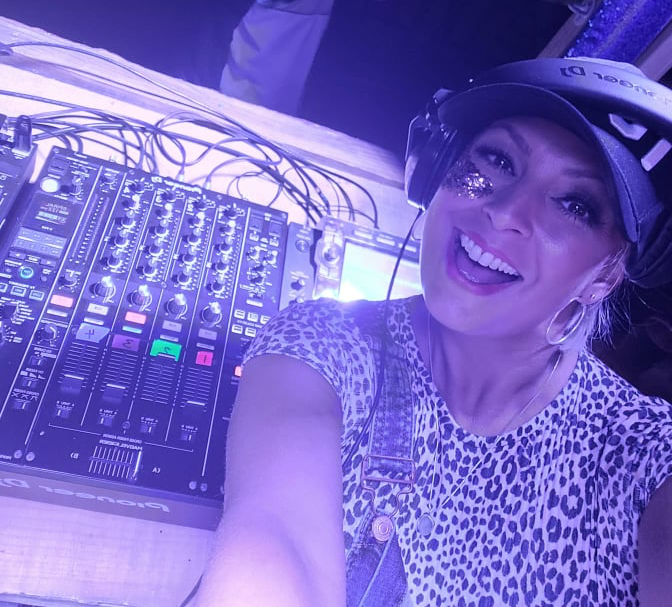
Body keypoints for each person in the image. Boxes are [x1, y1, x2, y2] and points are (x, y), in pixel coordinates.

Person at [194, 57, 672, 606]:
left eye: (574, 205)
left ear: (607, 273)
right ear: (436, 169)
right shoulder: (320, 348)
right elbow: (275, 543)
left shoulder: (648, 454)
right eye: (496, 159)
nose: (506, 211)